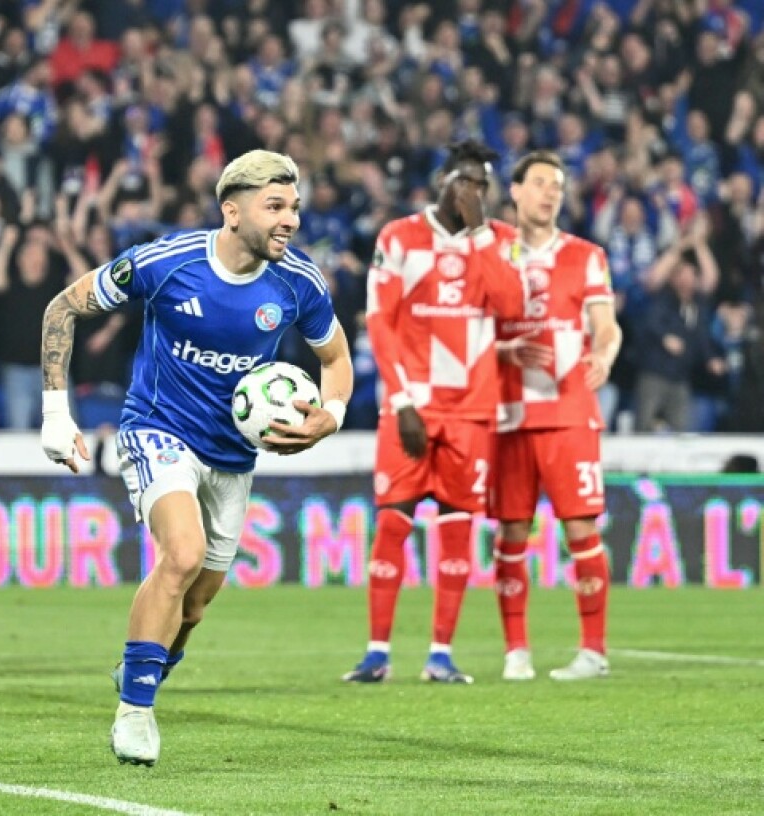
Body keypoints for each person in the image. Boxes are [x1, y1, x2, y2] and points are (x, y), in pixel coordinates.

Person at [41, 150, 353, 766]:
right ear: (231, 211)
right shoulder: (167, 263)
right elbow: (63, 308)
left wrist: (332, 415)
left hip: (233, 453)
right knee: (181, 554)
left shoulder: (300, 282)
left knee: (196, 603)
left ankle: (143, 666)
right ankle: (134, 711)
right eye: (274, 206)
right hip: (157, 429)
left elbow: (336, 358)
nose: (290, 220)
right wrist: (56, 412)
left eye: (294, 207)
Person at [343, 140, 527, 685]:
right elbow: (380, 322)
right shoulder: (399, 236)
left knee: (456, 531)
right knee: (391, 523)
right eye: (464, 180)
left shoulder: (502, 240)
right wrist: (401, 401)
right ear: (441, 181)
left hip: (471, 411)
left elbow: (512, 306)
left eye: (481, 185)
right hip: (412, 407)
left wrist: (480, 233)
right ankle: (377, 652)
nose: (473, 191)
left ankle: (440, 655)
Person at [491, 150, 622, 681]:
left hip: (569, 411)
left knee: (581, 527)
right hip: (509, 412)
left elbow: (606, 325)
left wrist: (604, 355)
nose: (550, 193)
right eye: (540, 182)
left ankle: (593, 651)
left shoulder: (586, 256)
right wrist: (504, 352)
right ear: (515, 190)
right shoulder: (492, 253)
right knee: (511, 531)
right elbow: (470, 327)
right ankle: (516, 651)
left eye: (558, 186)